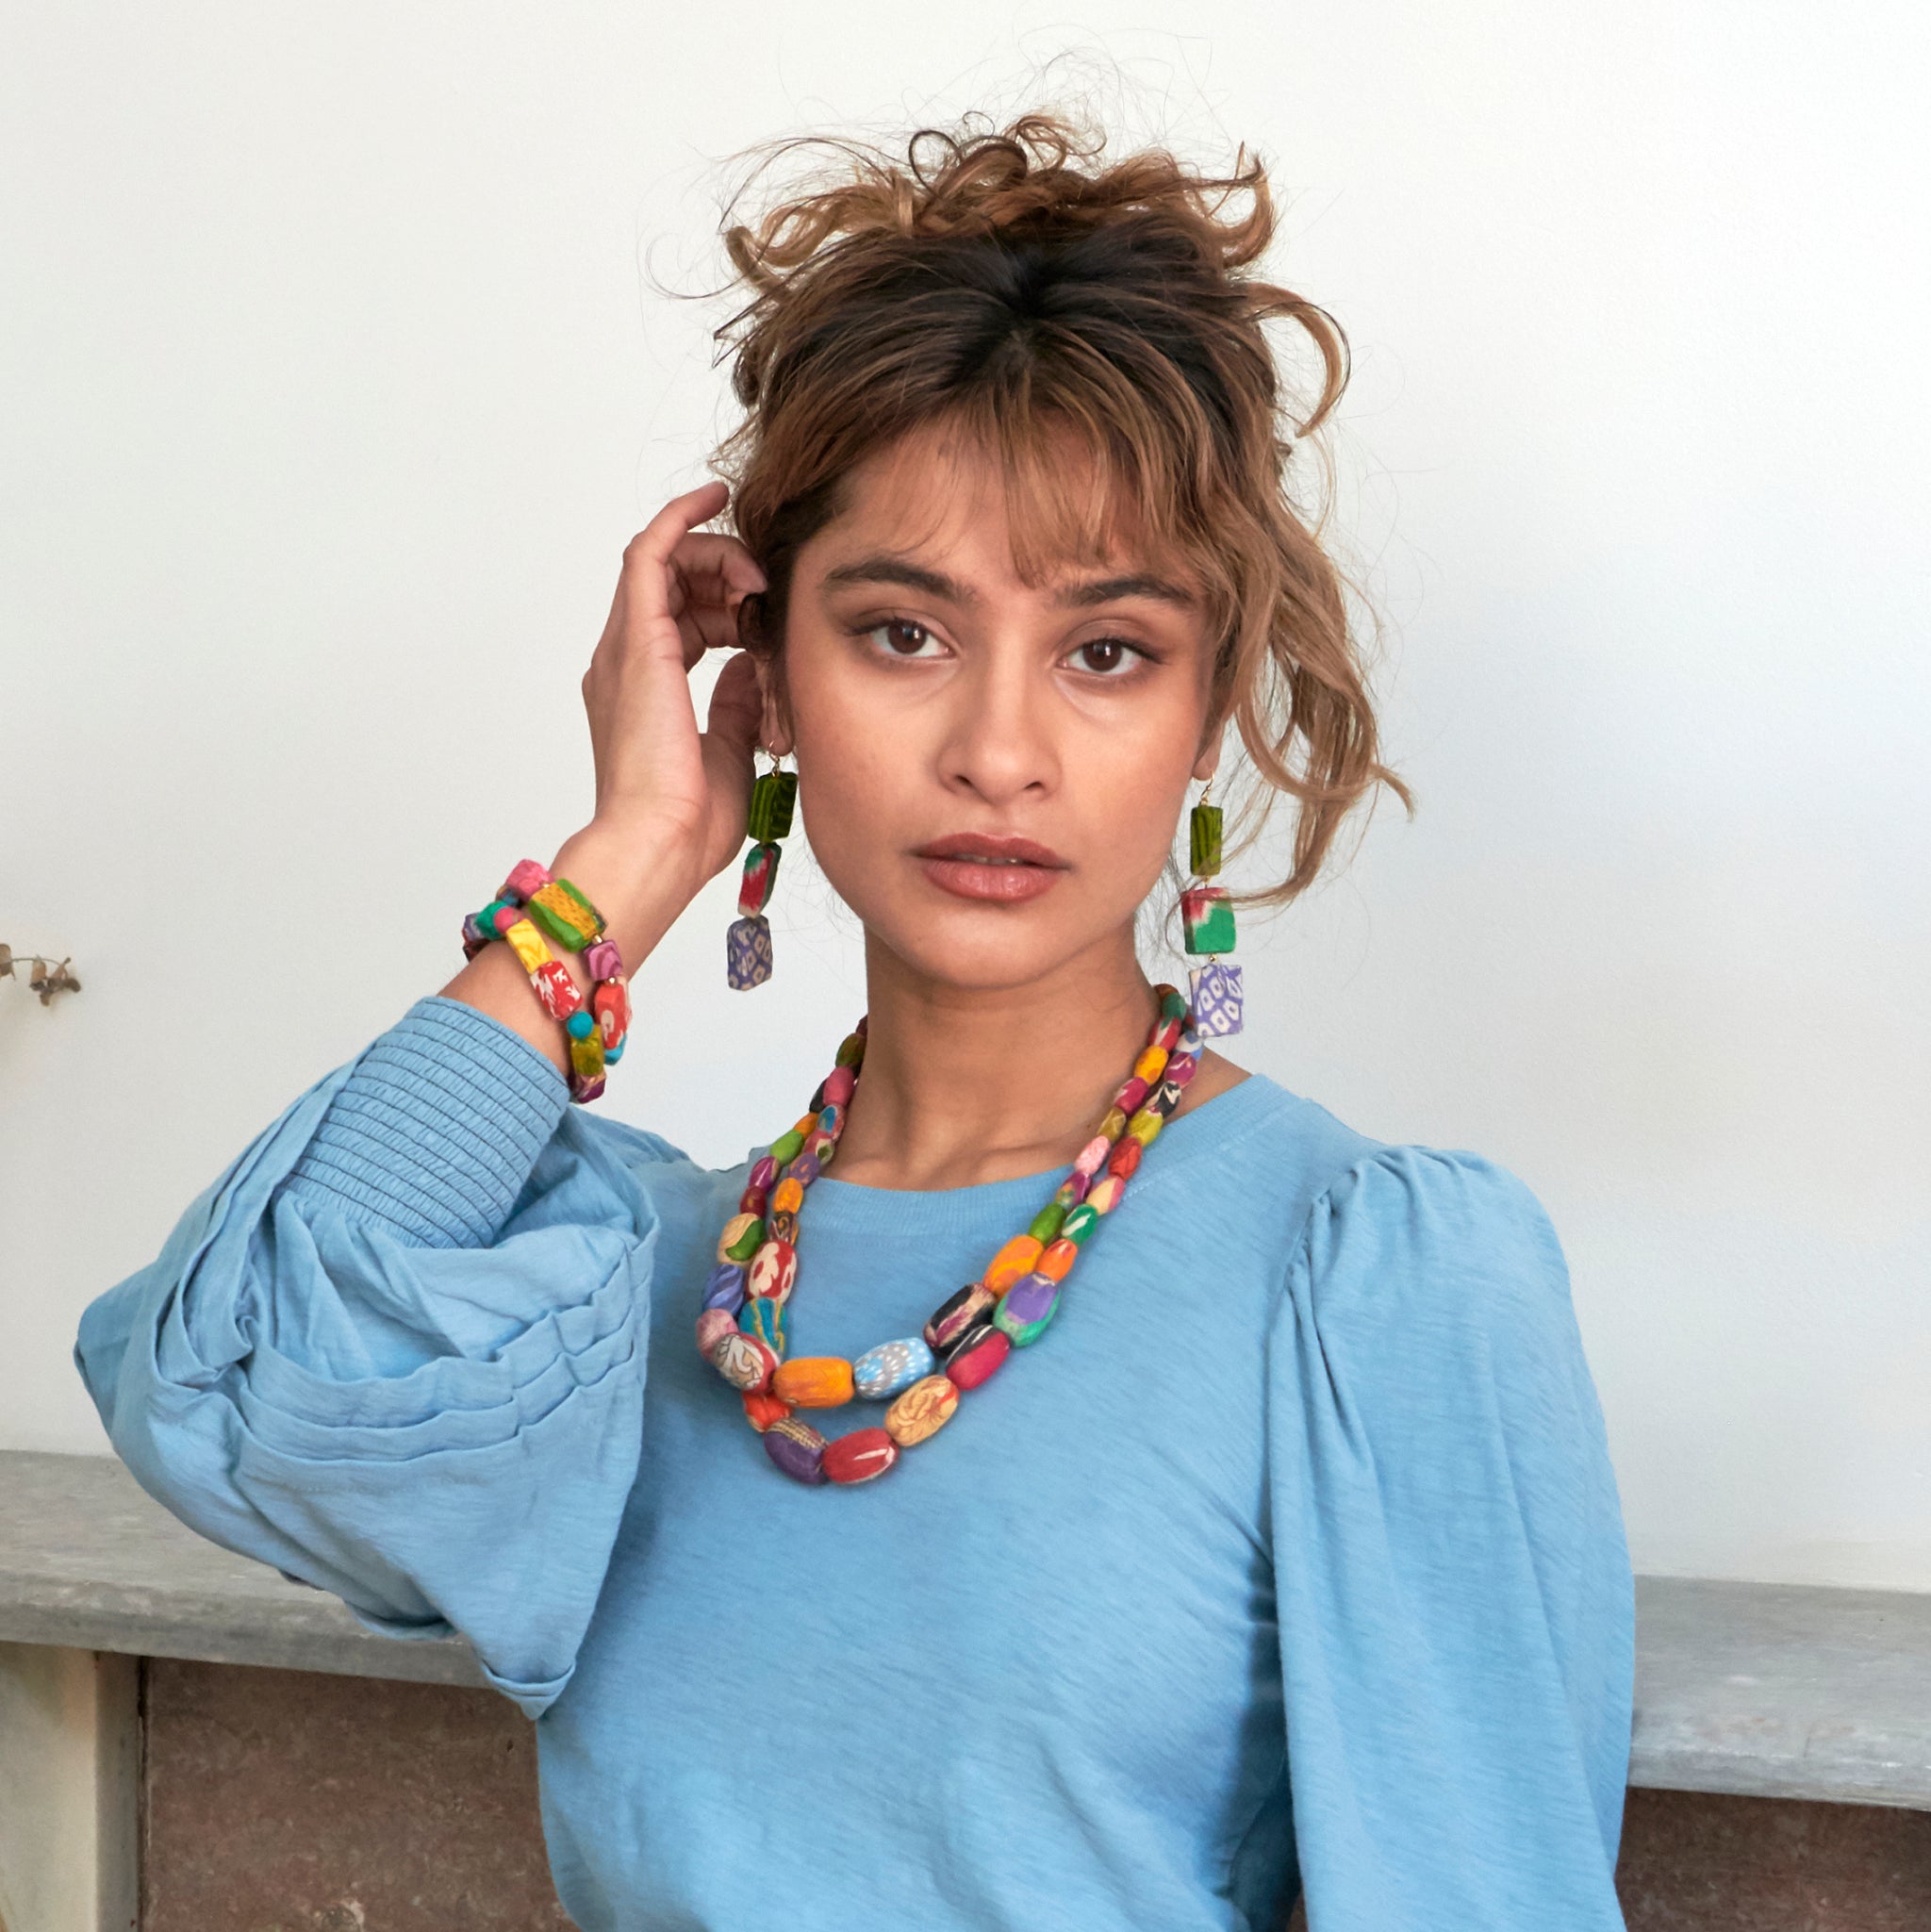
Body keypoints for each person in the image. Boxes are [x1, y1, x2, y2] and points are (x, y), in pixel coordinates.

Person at [73, 109, 1634, 1931]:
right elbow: (229, 1384)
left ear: (1206, 718)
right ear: (773, 672)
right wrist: (630, 856)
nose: (997, 748)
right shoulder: (637, 1278)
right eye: (903, 630)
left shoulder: (1370, 1277)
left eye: (1107, 650)